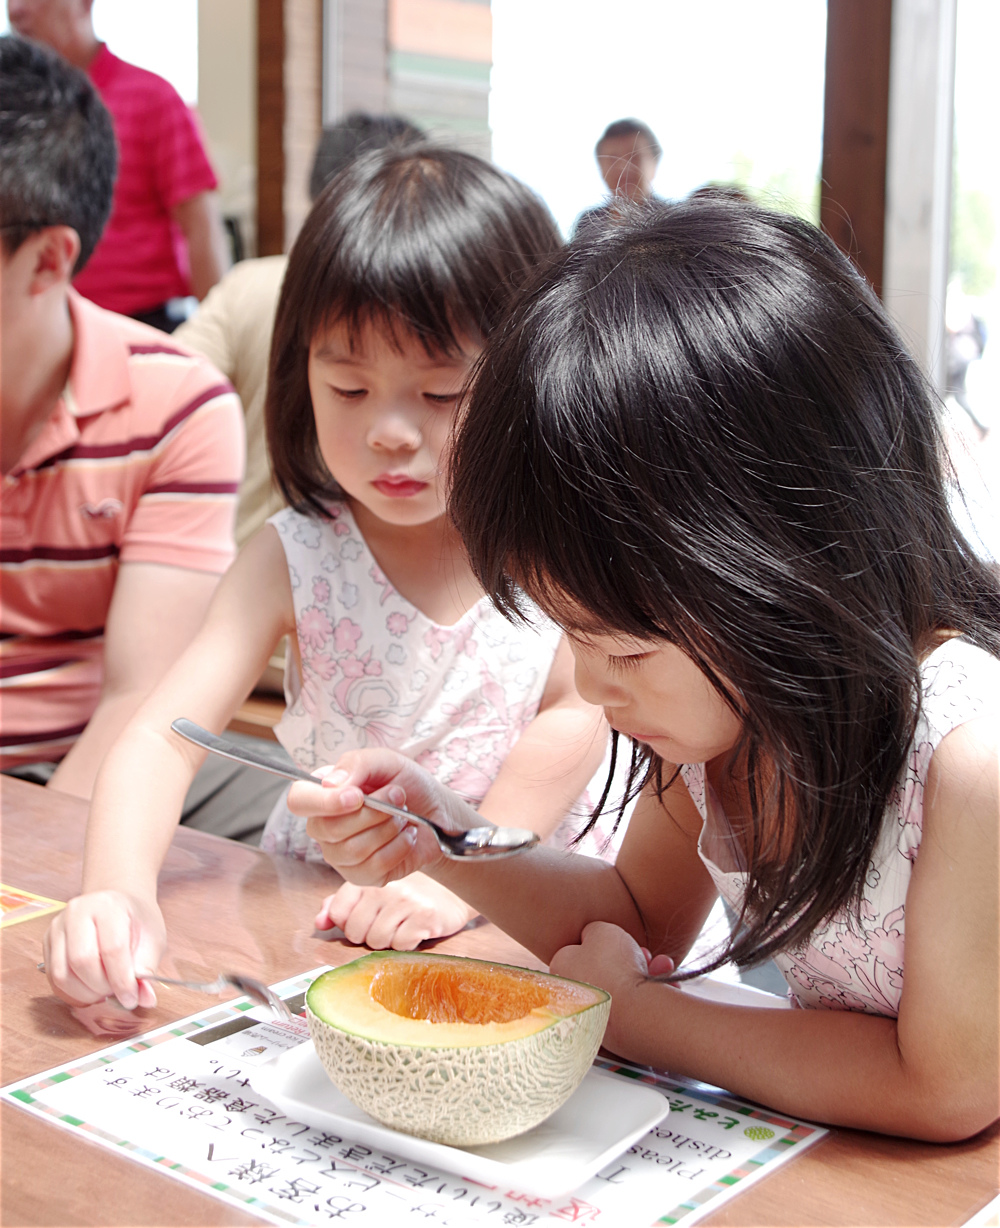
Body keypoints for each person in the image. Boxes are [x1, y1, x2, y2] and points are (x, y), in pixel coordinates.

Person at [279, 196, 998, 1142]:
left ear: (793, 566)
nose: (599, 690)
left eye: (623, 650)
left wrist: (643, 1016)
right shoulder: (727, 715)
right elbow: (638, 918)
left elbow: (943, 1089)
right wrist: (442, 842)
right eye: (571, 635)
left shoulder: (967, 760)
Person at [43, 144, 610, 1005]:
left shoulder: (554, 543)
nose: (388, 430)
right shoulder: (294, 554)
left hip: (523, 920)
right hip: (330, 927)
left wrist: (460, 871)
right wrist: (116, 890)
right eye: (347, 388)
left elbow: (578, 713)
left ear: (529, 372)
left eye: (440, 394)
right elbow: (166, 733)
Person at [0, 36, 281, 840]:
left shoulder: (174, 405)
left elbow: (140, 693)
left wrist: (33, 873)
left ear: (49, 258)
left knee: (298, 838)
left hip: (93, 760)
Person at [175, 114, 426, 548]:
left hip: (239, 549)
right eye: (349, 388)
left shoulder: (250, 285)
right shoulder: (434, 309)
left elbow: (165, 393)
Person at [5, 0, 228, 332]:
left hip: (144, 324)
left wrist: (220, 336)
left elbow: (201, 225)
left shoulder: (152, 98)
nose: (16, 7)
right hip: (38, 327)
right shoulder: (15, 109)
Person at [573, 118, 662, 241]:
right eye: (612, 159)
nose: (623, 168)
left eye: (634, 157)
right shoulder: (588, 223)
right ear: (601, 167)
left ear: (654, 163)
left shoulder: (673, 219)